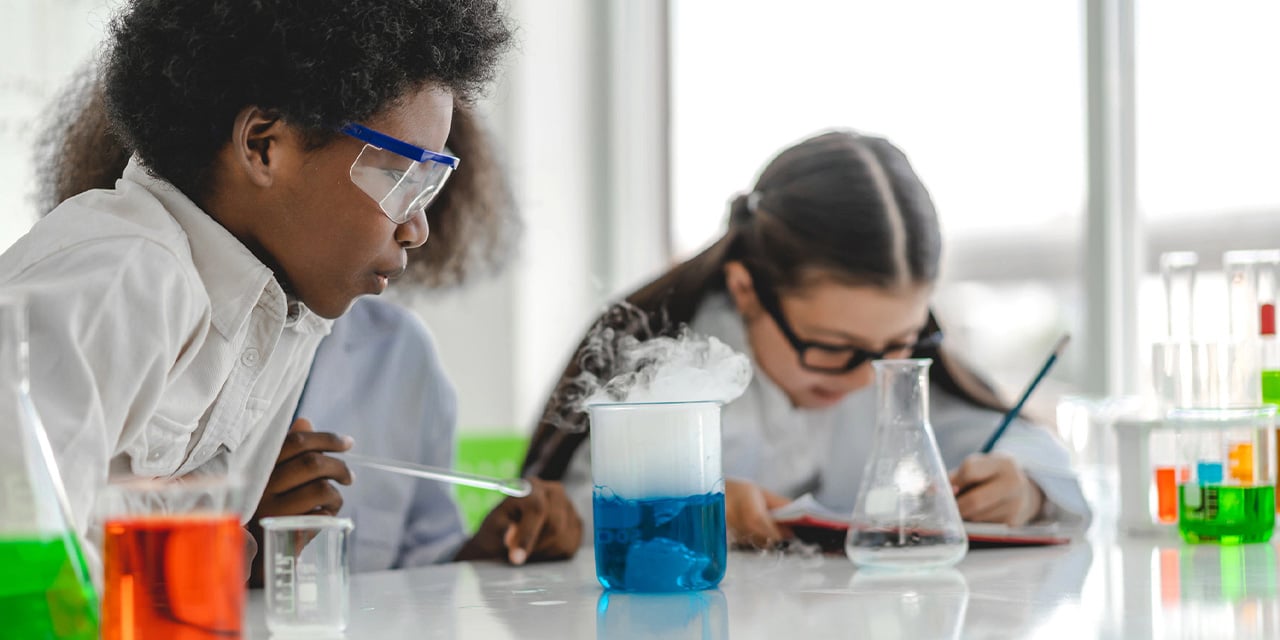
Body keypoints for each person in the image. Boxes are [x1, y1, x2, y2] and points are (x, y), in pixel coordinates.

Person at [3, 0, 515, 574]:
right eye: (402, 177)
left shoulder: (287, 321)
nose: (416, 227)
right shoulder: (123, 277)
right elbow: (21, 563)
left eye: (431, 186)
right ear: (264, 145)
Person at [523, 130, 1092, 547]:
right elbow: (571, 521)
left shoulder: (890, 361)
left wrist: (1025, 489)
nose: (866, 374)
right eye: (834, 347)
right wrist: (686, 509)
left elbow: (1036, 454)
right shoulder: (667, 364)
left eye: (899, 342)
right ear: (746, 290)